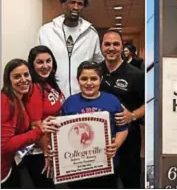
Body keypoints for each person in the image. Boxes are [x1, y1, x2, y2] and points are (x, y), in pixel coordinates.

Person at [61, 61, 128, 189]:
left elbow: (123, 129)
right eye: (84, 78)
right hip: (77, 168)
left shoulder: (112, 101)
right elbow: (62, 135)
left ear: (100, 80)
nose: (89, 83)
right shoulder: (69, 103)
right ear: (78, 80)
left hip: (106, 165)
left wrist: (116, 144)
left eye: (93, 78)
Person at [38, 0, 104, 98]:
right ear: (64, 4)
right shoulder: (46, 31)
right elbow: (36, 64)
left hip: (82, 98)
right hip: (53, 97)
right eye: (72, 2)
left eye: (80, 4)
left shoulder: (91, 34)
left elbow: (98, 64)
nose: (75, 7)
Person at [1, 59, 59, 189]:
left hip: (9, 164)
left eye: (26, 75)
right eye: (17, 76)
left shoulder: (19, 97)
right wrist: (39, 131)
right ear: (8, 80)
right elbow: (4, 145)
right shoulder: (6, 102)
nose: (24, 79)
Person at [100, 29, 145, 188]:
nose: (111, 48)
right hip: (101, 141)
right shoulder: (96, 72)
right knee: (104, 183)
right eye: (107, 44)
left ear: (122, 47)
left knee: (130, 181)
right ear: (101, 47)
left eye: (115, 44)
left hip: (129, 140)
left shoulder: (137, 75)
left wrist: (132, 115)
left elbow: (150, 103)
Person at [23, 46, 65, 188]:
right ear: (32, 65)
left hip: (51, 146)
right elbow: (36, 125)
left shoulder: (49, 83)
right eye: (40, 62)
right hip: (39, 152)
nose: (45, 66)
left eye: (48, 61)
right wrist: (46, 154)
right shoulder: (34, 88)